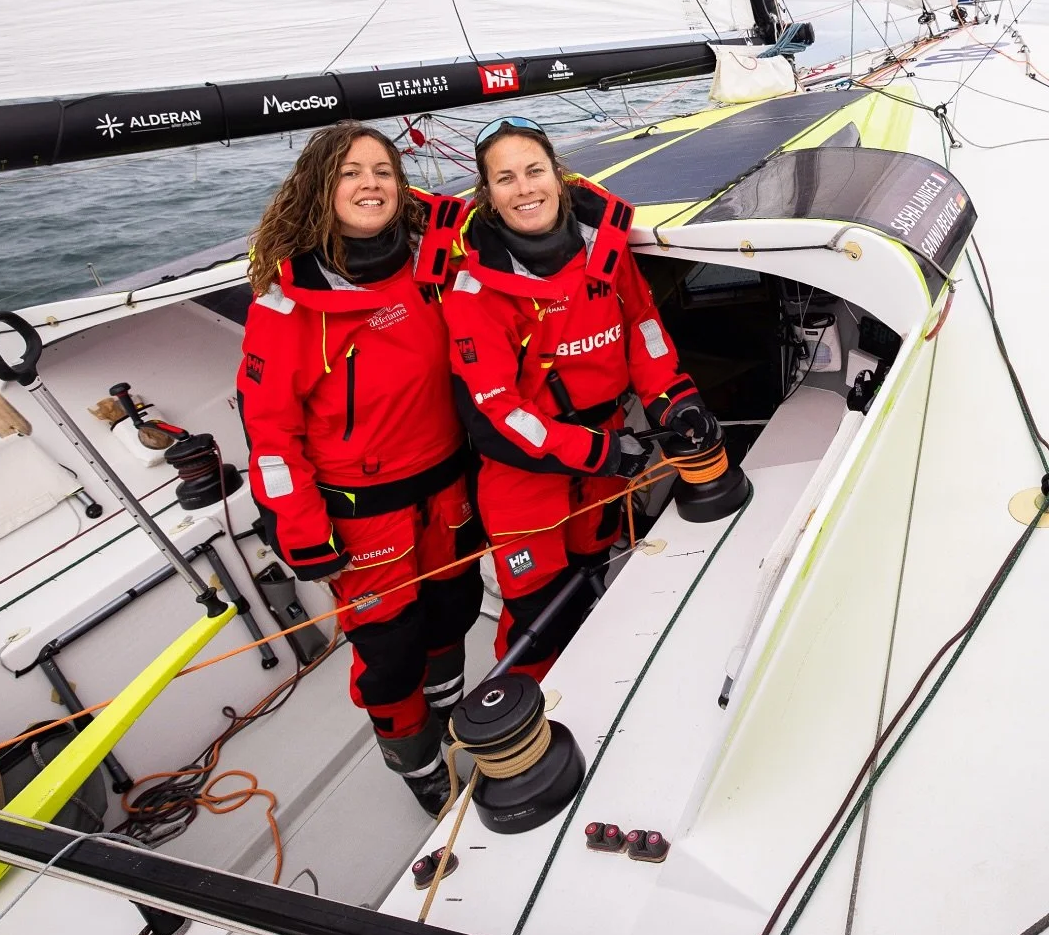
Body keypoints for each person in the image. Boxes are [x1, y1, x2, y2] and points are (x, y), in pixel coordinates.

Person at [237, 122, 483, 816]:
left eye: (383, 169)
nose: (370, 183)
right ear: (321, 188)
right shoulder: (284, 308)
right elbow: (270, 433)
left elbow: (509, 202)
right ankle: (419, 761)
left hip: (445, 488)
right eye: (350, 172)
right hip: (363, 512)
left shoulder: (433, 258)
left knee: (453, 610)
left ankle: (451, 710)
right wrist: (299, 526)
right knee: (391, 649)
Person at [443, 117, 721, 680]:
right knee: (539, 613)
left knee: (595, 565)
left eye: (533, 171)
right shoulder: (472, 290)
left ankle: (596, 677)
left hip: (606, 453)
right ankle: (529, 713)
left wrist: (674, 399)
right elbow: (499, 414)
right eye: (505, 179)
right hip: (526, 479)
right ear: (488, 195)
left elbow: (642, 329)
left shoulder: (607, 251)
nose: (525, 189)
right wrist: (602, 452)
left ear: (557, 174)